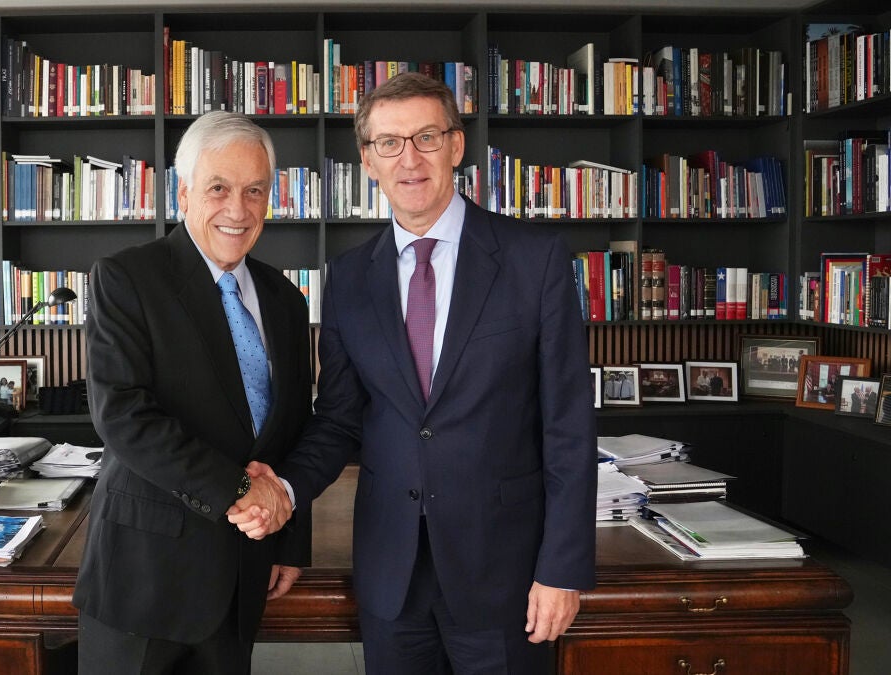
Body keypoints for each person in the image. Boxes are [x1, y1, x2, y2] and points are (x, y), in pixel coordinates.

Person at [232, 72, 597, 674]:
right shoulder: (349, 278)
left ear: (456, 146)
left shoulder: (535, 260)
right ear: (367, 160)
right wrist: (284, 490)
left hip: (504, 576)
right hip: (391, 575)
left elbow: (569, 427)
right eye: (389, 143)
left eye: (426, 137)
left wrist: (562, 569)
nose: (410, 159)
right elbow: (340, 418)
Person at [72, 110, 314, 674]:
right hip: (144, 579)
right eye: (219, 188)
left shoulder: (286, 299)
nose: (238, 209)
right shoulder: (127, 278)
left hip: (243, 574)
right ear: (183, 194)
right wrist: (240, 490)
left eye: (255, 190)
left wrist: (288, 540)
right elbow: (124, 416)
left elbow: (293, 427)